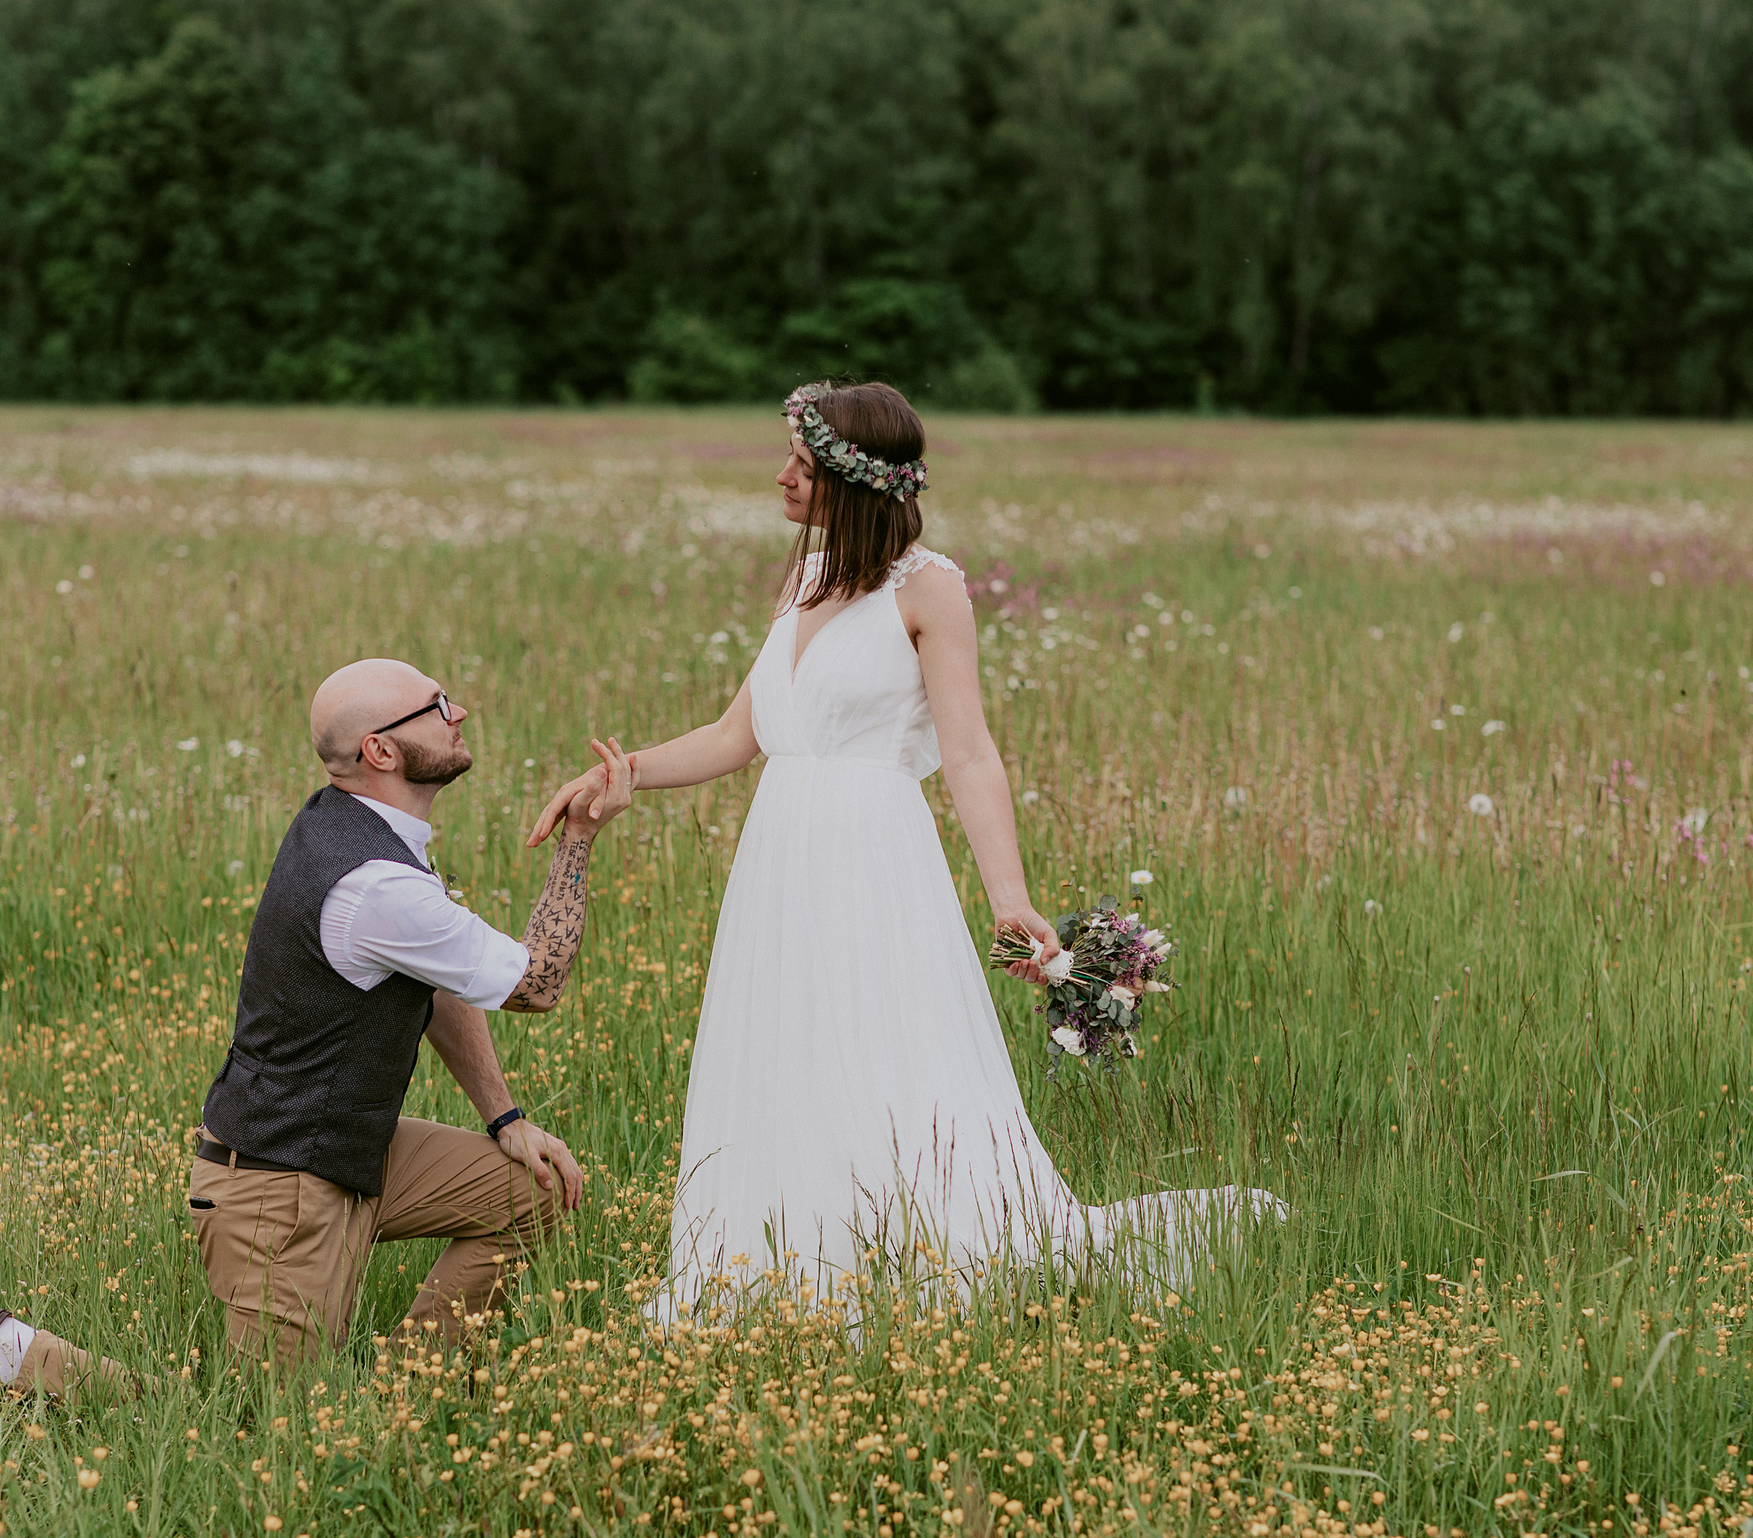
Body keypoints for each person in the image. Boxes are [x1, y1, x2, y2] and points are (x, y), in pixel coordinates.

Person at [528, 381, 1279, 1322]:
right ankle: (779, 1259)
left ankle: (907, 1252)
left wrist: (1010, 897)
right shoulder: (802, 581)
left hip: (872, 859)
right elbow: (737, 735)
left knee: (879, 1052)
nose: (781, 481)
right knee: (788, 1049)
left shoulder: (930, 590)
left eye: (800, 468)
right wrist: (622, 773)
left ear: (851, 480)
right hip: (781, 863)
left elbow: (967, 750)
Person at [0, 658, 634, 1399]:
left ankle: (403, 1395)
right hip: (279, 1193)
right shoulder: (375, 885)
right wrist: (578, 840)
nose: (458, 712)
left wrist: (505, 1115)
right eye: (436, 706)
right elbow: (538, 981)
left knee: (530, 1190)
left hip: (348, 1153)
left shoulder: (366, 830)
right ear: (382, 751)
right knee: (260, 1433)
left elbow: (439, 980)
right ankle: (4, 1349)